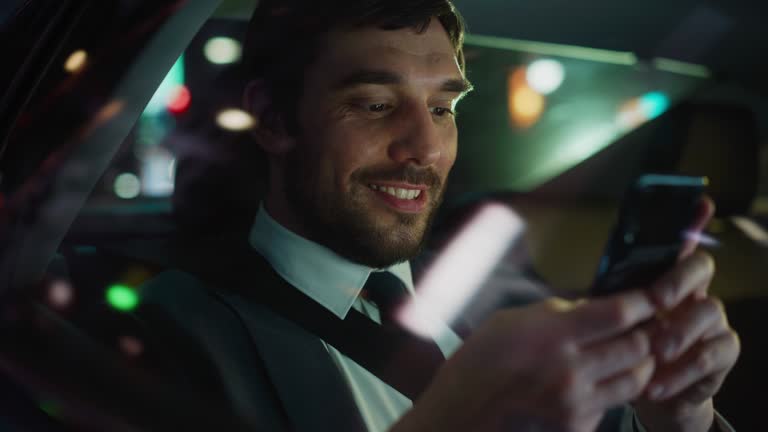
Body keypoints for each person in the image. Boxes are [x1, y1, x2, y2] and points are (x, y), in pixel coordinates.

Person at [139, 0, 740, 430]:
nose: (424, 148)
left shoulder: (507, 296)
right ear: (273, 120)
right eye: (375, 105)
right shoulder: (176, 335)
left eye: (443, 107)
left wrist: (677, 420)